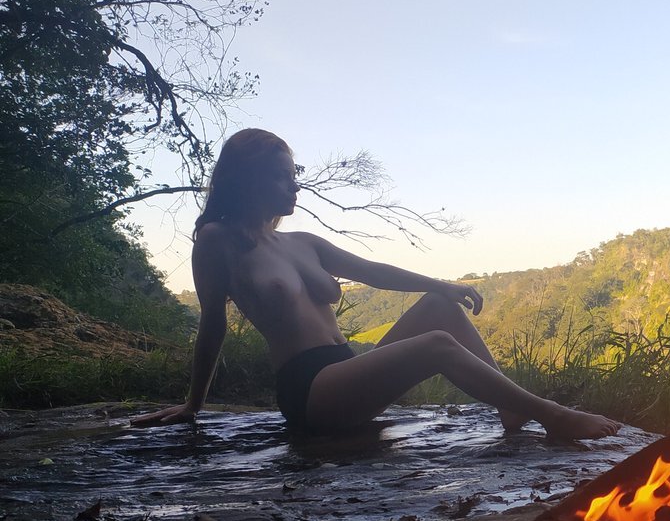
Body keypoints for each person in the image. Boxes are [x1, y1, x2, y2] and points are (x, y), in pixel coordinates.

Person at [133, 129, 621, 439]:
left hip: (346, 369)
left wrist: (442, 284)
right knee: (436, 344)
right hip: (310, 392)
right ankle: (551, 415)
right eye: (282, 177)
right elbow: (212, 324)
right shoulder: (219, 241)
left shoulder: (302, 242)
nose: (295, 185)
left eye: (294, 175)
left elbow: (374, 271)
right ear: (249, 181)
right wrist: (193, 404)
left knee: (439, 307)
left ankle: (510, 411)